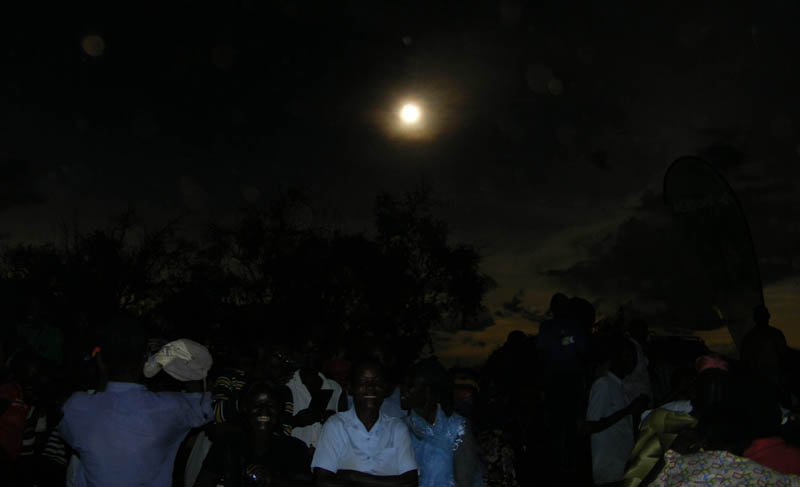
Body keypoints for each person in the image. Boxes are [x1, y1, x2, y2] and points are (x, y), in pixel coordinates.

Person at [59, 315, 212, 487]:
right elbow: (202, 408)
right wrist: (180, 360)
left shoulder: (77, 408)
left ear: (101, 361)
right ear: (145, 359)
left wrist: (103, 376)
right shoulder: (169, 408)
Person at [312, 360, 418, 487]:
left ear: (385, 388)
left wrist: (353, 477)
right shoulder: (336, 425)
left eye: (377, 382)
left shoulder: (397, 428)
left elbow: (410, 482)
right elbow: (322, 481)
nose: (370, 387)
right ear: (351, 387)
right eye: (363, 381)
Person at [195, 380, 311, 487]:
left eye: (270, 405)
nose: (264, 411)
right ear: (246, 408)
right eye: (257, 405)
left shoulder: (294, 448)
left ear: (279, 409)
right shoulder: (227, 444)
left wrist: (272, 480)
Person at [400, 357, 483, 487]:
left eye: (410, 385)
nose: (402, 391)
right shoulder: (400, 427)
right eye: (403, 384)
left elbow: (464, 482)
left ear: (428, 390)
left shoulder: (457, 428)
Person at [585, 336, 648, 486]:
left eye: (634, 357)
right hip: (608, 471)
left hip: (619, 469)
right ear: (616, 357)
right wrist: (629, 410)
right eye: (627, 356)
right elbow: (591, 426)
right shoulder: (604, 385)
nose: (632, 362)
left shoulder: (619, 387)